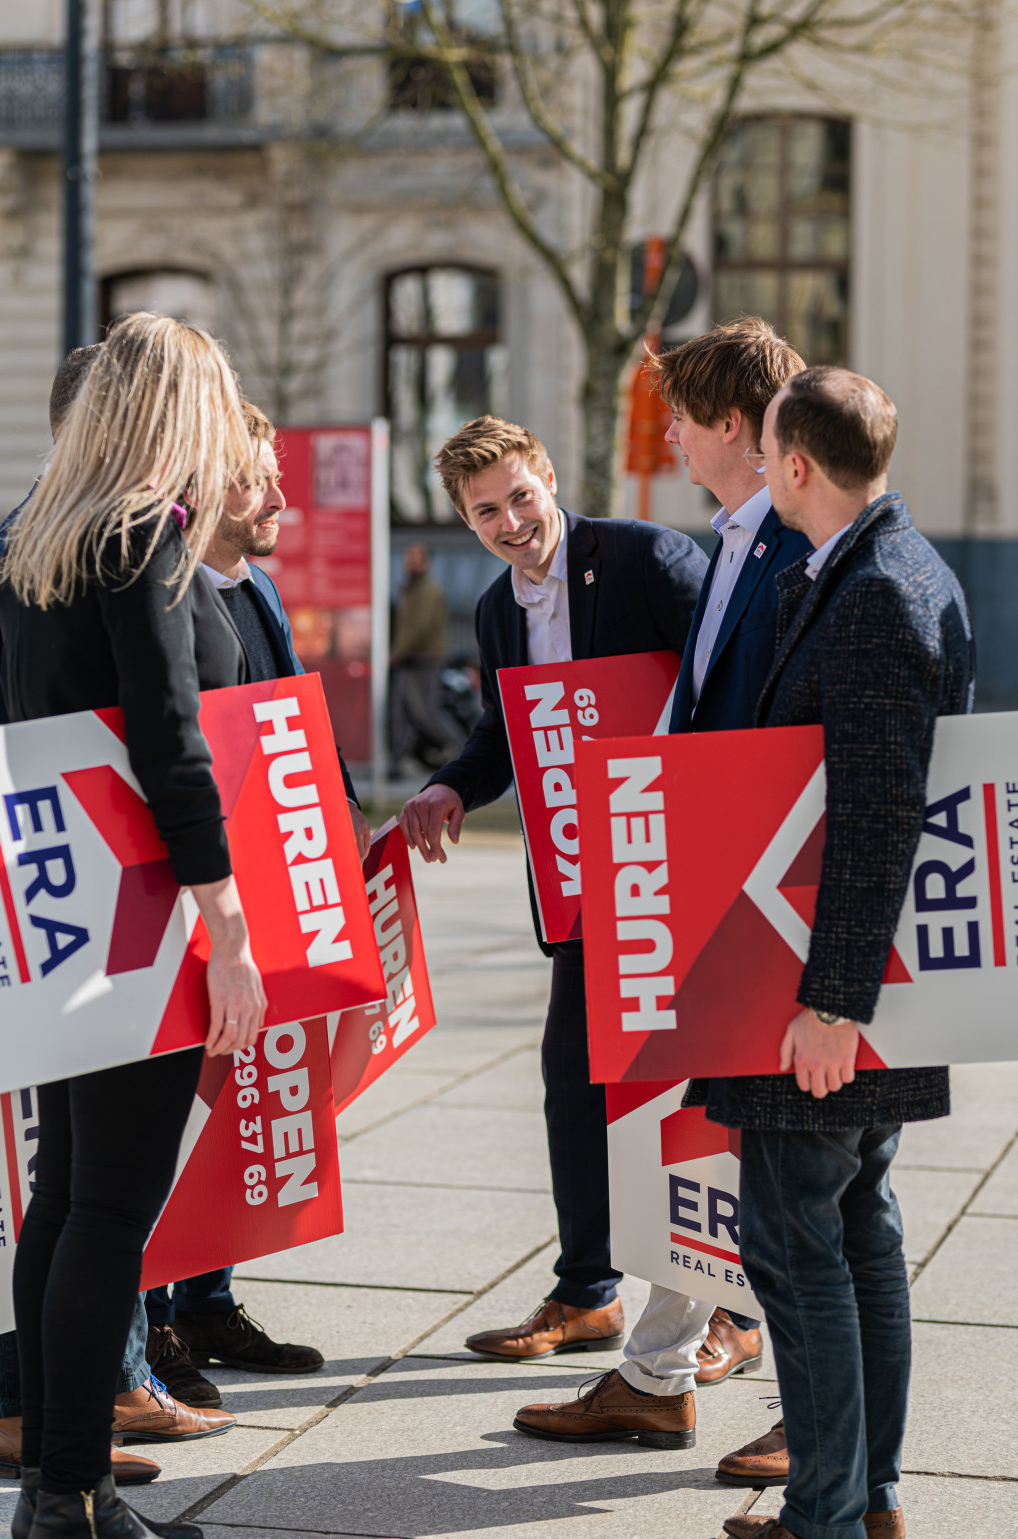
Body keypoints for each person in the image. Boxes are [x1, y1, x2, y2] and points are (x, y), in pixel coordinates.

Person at [512, 318, 812, 1450]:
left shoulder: (785, 545)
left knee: (787, 1174)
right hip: (701, 881)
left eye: (681, 416)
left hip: (752, 896)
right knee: (700, 1142)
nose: (670, 435)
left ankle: (810, 1416)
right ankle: (653, 1370)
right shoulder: (738, 538)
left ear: (732, 425)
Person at [0, 312, 267, 1539]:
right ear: (180, 409)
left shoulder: (37, 536)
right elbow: (169, 738)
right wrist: (231, 924)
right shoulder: (146, 537)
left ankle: (69, 1486)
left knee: (64, 1199)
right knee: (110, 1205)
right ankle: (69, 1493)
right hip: (145, 906)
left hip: (62, 899)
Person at [714, 368, 975, 1539]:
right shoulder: (888, 567)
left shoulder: (873, 592)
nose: (762, 474)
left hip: (825, 991)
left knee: (797, 1250)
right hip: (849, 985)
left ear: (797, 468)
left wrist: (831, 1004)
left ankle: (824, 1515)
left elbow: (880, 813)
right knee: (859, 1234)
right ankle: (864, 1498)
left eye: (768, 455)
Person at [400, 415, 708, 1363]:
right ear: (465, 518)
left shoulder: (648, 557)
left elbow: (728, 676)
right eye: (485, 511)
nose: (510, 521)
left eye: (520, 496)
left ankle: (728, 1303)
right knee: (573, 1077)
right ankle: (587, 1291)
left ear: (549, 474)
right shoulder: (497, 611)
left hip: (683, 859)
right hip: (583, 877)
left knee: (698, 1080)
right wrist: (452, 782)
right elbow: (507, 732)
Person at [142, 400, 363, 1406]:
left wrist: (345, 819)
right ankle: (151, 1323)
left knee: (249, 1102)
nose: (280, 498)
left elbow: (294, 716)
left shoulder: (255, 590)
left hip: (273, 877)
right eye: (257, 481)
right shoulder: (171, 589)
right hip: (198, 888)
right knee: (179, 1108)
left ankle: (206, 1301)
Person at [388, 544, 462, 775]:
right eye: (407, 556)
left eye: (415, 557)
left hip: (424, 659)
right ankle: (396, 765)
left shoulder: (428, 590)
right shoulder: (409, 588)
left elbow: (417, 628)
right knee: (399, 712)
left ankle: (465, 752)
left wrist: (396, 652)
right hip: (410, 659)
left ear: (426, 562)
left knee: (424, 712)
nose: (409, 561)